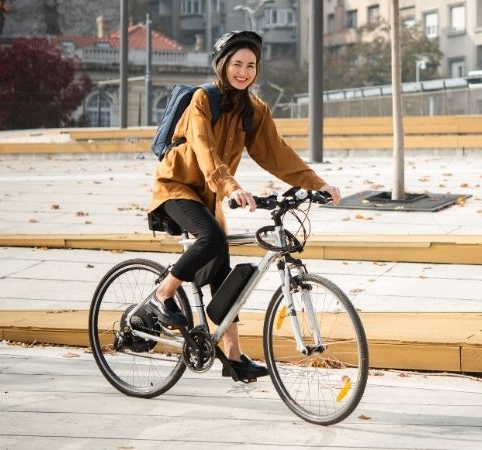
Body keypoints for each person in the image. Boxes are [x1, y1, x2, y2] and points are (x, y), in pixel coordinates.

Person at [143, 31, 341, 383]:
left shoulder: (254, 108)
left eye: (251, 65)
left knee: (222, 272)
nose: (244, 71)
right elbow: (204, 150)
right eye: (237, 64)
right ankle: (163, 293)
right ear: (223, 65)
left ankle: (233, 358)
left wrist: (317, 184)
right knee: (212, 239)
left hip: (209, 196)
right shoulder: (203, 99)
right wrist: (231, 187)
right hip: (176, 187)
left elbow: (276, 153)